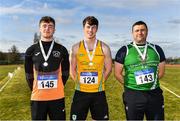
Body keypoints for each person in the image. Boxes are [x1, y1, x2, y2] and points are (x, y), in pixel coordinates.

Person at [115, 21, 166, 120]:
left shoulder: (157, 49)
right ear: (132, 33)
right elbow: (117, 73)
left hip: (154, 94)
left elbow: (161, 72)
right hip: (133, 95)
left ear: (147, 32)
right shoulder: (125, 50)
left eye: (142, 30)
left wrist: (150, 84)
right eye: (137, 30)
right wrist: (131, 85)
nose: (140, 33)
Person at [24, 16, 69, 120]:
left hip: (57, 97)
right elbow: (28, 75)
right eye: (44, 26)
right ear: (40, 28)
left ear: (54, 29)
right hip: (37, 98)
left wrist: (58, 86)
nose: (47, 28)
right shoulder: (31, 50)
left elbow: (66, 74)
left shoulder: (62, 49)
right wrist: (35, 88)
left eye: (50, 26)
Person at [70, 16, 112, 120]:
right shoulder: (75, 47)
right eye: (88, 27)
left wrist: (100, 82)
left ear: (97, 29)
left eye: (93, 27)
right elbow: (72, 70)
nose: (90, 30)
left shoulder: (104, 47)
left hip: (98, 93)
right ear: (83, 27)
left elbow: (108, 69)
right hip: (80, 93)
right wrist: (80, 84)